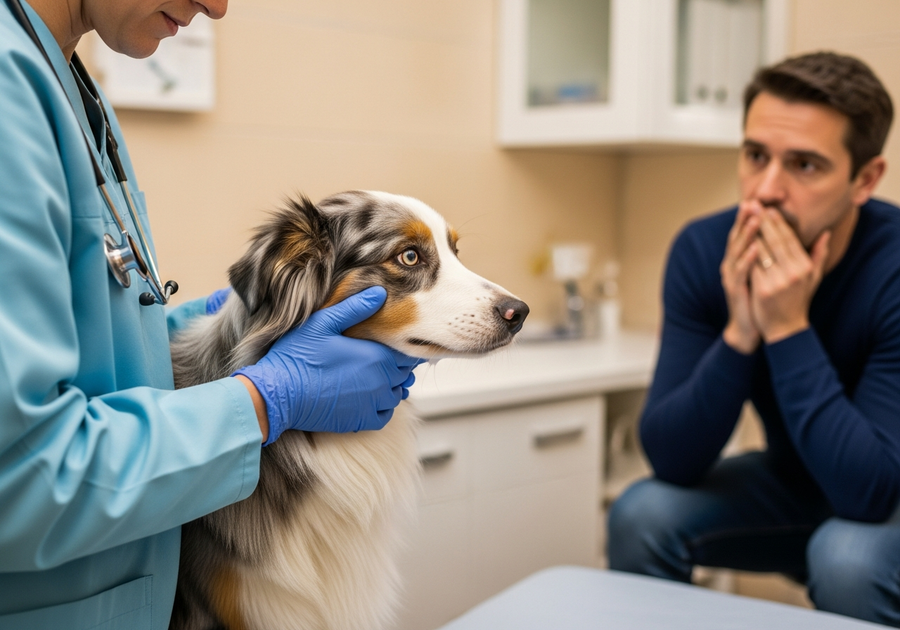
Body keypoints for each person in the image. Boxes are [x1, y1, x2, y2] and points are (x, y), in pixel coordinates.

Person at [0, 0, 419, 627]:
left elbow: (82, 352)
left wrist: (211, 328)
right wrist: (266, 400)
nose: (217, 7)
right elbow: (21, 476)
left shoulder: (64, 82)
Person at [607, 51, 900, 627]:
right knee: (641, 513)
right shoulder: (703, 249)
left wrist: (787, 325)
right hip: (797, 482)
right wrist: (742, 331)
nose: (765, 191)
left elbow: (867, 494)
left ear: (864, 179)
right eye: (755, 155)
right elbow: (670, 458)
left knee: (847, 557)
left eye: (805, 166)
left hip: (885, 491)